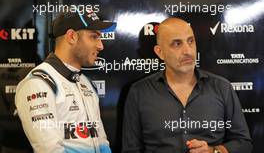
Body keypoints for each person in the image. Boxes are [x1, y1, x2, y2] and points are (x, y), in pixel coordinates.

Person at [122, 17, 252, 153]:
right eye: (177, 44)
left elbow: (244, 143)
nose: (188, 51)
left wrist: (214, 150)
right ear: (160, 52)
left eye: (191, 41)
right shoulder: (139, 92)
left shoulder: (222, 87)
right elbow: (131, 149)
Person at [15, 10, 116, 153]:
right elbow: (49, 149)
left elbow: (101, 140)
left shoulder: (85, 83)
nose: (101, 46)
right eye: (94, 37)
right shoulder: (38, 83)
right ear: (71, 36)